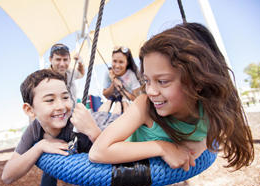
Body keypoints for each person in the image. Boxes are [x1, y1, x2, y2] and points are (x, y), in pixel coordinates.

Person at [86, 22, 254, 171]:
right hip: (114, 139)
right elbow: (98, 152)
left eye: (163, 81)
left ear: (198, 81)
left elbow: (214, 135)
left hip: (119, 125)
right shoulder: (145, 104)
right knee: (93, 131)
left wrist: (201, 145)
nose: (150, 91)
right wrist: (162, 148)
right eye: (147, 80)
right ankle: (92, 132)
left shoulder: (212, 109)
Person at [1, 69, 94, 186]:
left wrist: (93, 131)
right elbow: (7, 176)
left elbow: (109, 154)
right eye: (50, 100)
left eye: (65, 97)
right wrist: (40, 146)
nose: (61, 106)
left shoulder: (78, 126)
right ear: (30, 110)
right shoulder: (34, 130)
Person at [102, 46, 142, 111]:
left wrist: (121, 89)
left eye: (121, 62)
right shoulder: (108, 72)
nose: (117, 65)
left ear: (127, 62)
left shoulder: (131, 75)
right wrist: (113, 81)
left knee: (124, 99)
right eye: (114, 61)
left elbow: (136, 99)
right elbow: (105, 95)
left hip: (129, 107)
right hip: (115, 102)